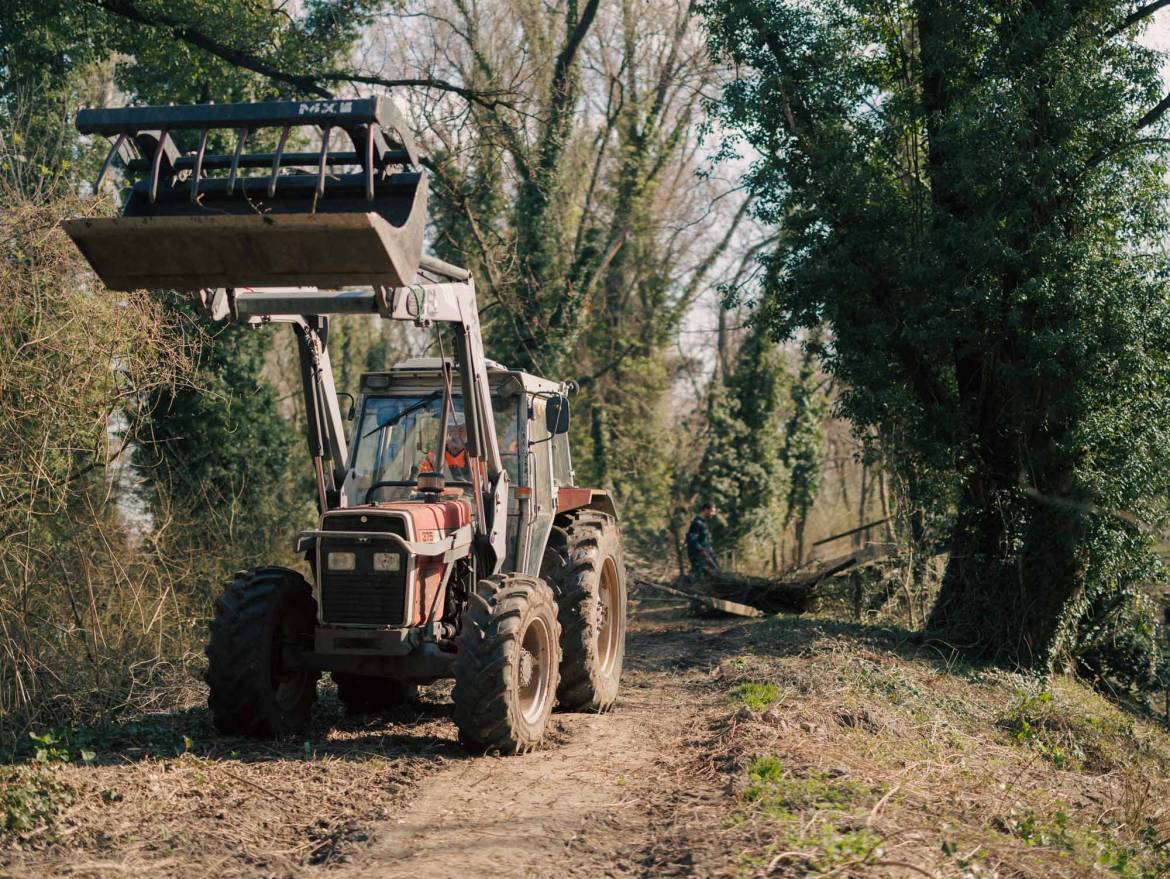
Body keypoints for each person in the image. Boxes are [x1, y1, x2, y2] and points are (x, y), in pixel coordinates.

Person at [686, 502, 719, 575]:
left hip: (706, 553)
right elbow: (693, 540)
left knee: (716, 571)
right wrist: (702, 551)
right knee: (701, 574)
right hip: (698, 555)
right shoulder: (696, 523)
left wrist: (709, 550)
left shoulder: (704, 523)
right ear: (706, 510)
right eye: (712, 511)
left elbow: (704, 539)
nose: (713, 514)